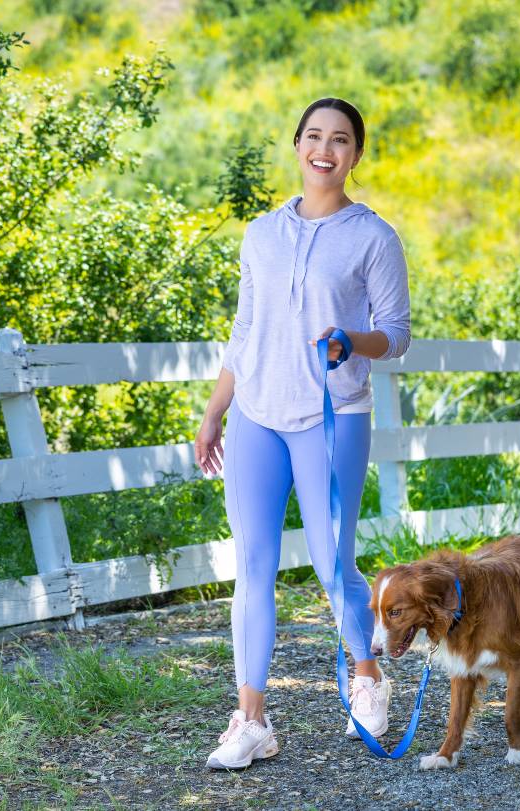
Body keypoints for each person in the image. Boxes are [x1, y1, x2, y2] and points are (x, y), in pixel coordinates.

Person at [194, 97, 412, 770]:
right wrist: (214, 411)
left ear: (355, 153)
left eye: (340, 139)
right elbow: (245, 331)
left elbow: (396, 335)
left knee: (330, 564)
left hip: (332, 416)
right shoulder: (261, 233)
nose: (325, 148)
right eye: (314, 136)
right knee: (252, 568)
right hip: (257, 413)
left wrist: (353, 341)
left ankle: (368, 675)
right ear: (297, 145)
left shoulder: (374, 237)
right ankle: (252, 719)